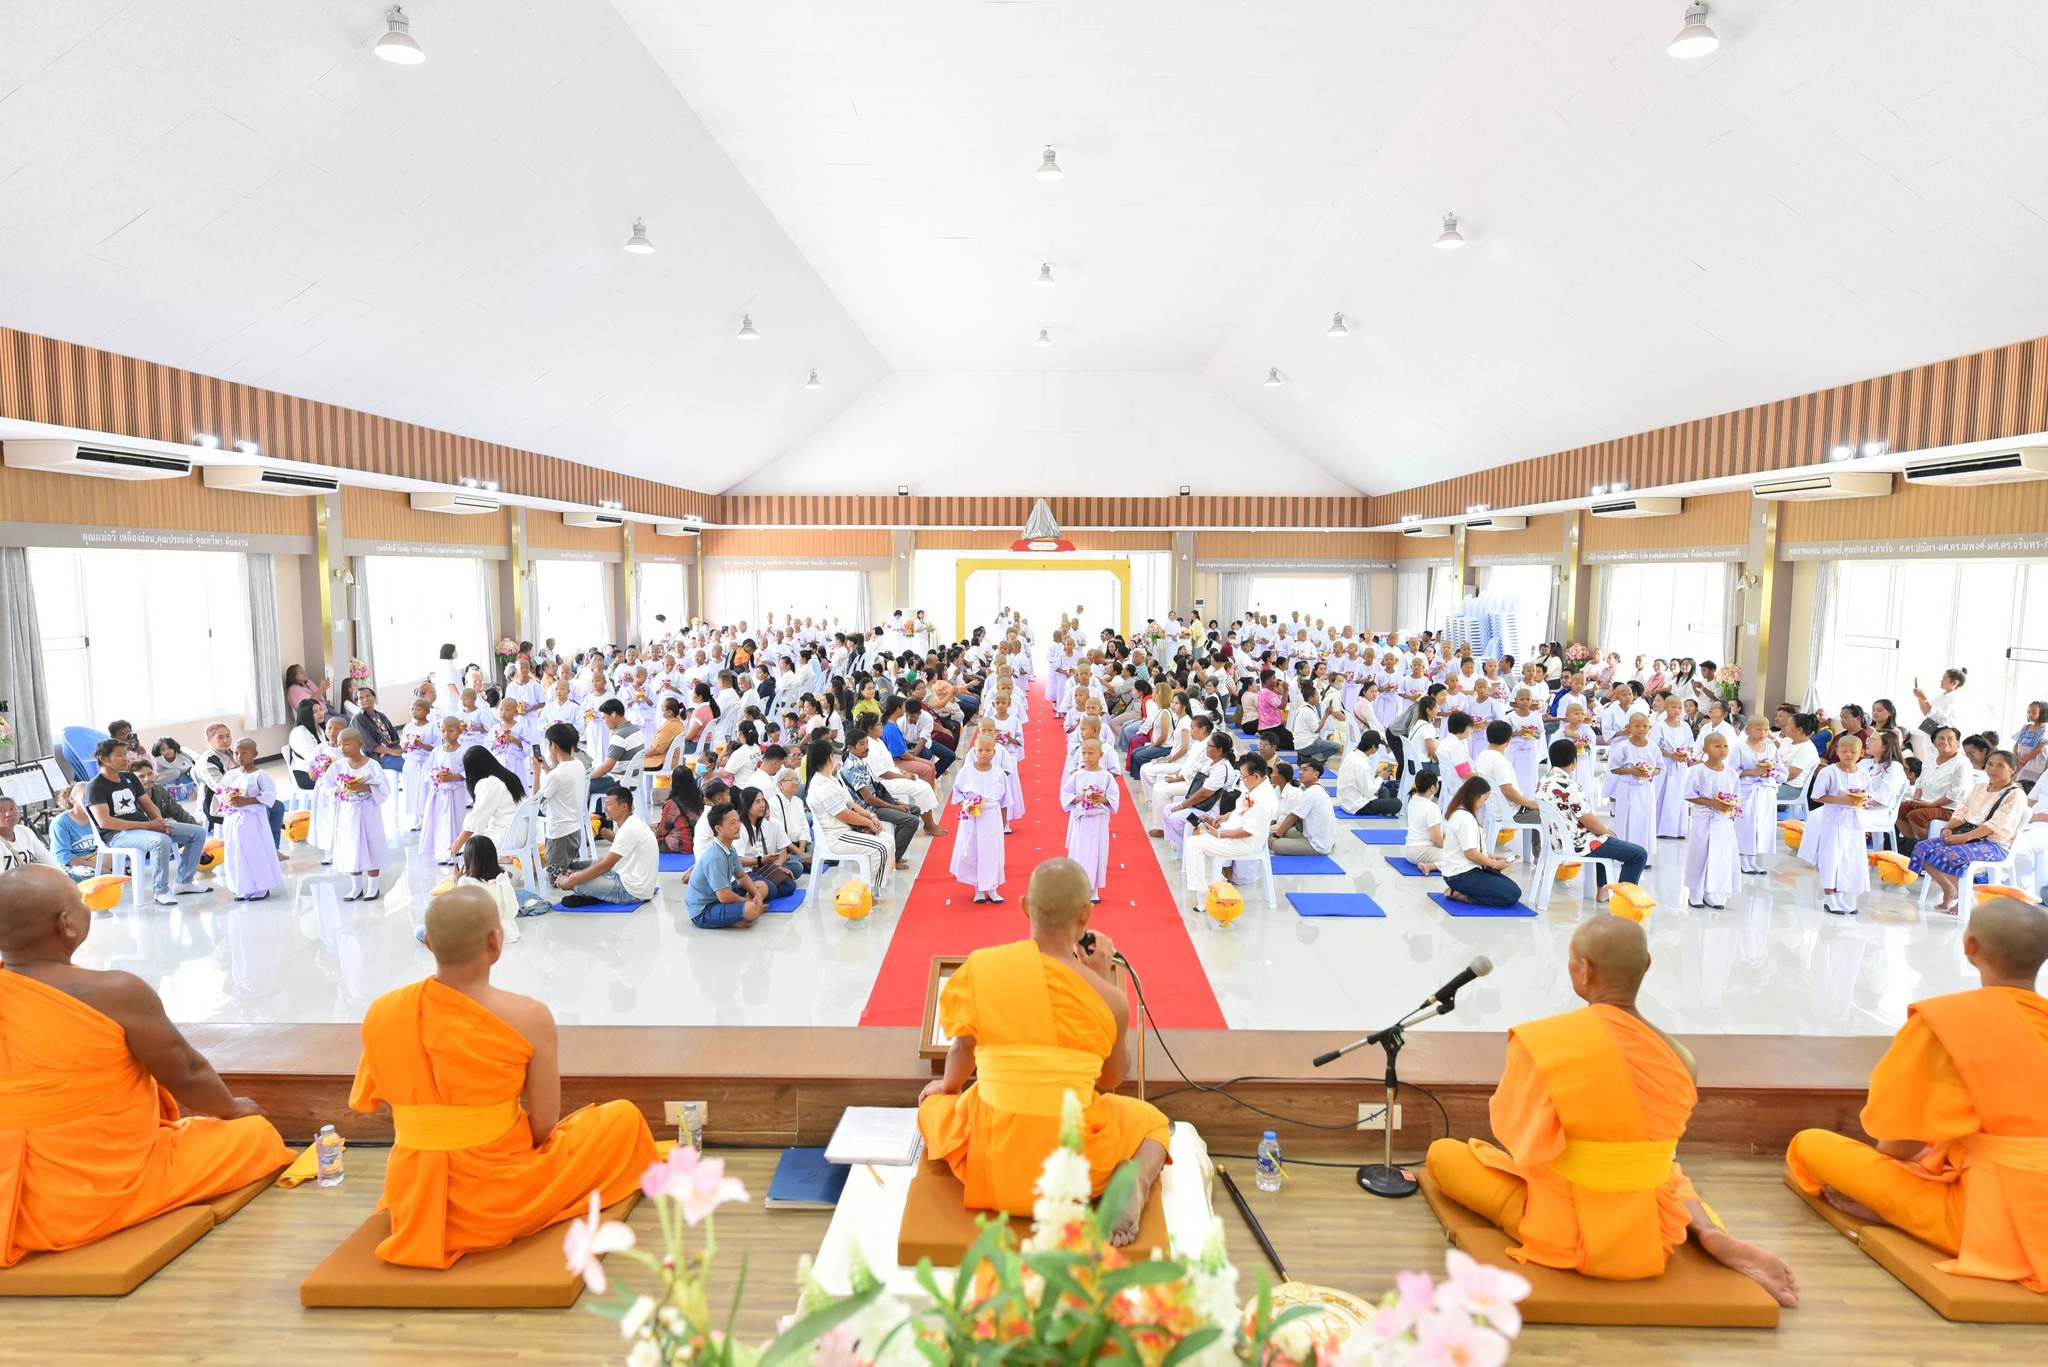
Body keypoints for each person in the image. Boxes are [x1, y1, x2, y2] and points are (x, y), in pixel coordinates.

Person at [1427, 914, 1799, 1304]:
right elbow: (1662, 1151)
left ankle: (1580, 1219)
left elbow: (1518, 1140)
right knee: (1664, 1169)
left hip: (1565, 1228)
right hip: (1654, 1231)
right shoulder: (1680, 1056)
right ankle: (1710, 1232)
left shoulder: (1547, 1041)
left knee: (1445, 1155)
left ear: (1584, 971)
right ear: (1648, 966)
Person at [0, 865, 293, 1267]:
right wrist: (233, 1109)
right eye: (80, 901)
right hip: (90, 1195)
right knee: (254, 1136)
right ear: (68, 924)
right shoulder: (114, 992)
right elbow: (187, 1072)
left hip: (7, 1191)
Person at [349, 885, 657, 1267]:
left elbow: (377, 1104)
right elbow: (544, 1125)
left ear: (428, 943)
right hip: (497, 1199)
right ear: (496, 940)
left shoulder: (384, 1013)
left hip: (409, 1196)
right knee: (621, 1118)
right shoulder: (528, 1016)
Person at [1787, 900, 2048, 1290]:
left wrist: (1882, 1191)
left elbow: (1900, 1142)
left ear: (1969, 946)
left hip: (1989, 1216)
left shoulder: (1948, 1021)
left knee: (1809, 1145)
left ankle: (1901, 1212)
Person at [916, 858, 1171, 1245]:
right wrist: (1099, 980)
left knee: (933, 1108)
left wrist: (947, 1088)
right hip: (1076, 1173)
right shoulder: (1110, 999)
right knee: (1152, 1122)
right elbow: (1111, 1079)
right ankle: (1133, 1180)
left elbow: (962, 1048)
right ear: (1086, 914)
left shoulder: (982, 967)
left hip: (990, 1167)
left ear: (1023, 907)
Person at [87, 738, 207, 908]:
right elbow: (105, 822)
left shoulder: (129, 778)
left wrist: (159, 822)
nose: (125, 759)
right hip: (116, 835)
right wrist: (148, 826)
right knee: (160, 841)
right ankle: (161, 891)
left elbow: (148, 805)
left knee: (197, 832)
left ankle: (184, 882)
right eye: (120, 755)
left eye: (125, 754)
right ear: (104, 759)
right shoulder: (95, 787)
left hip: (144, 828)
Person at [1910, 750, 2027, 916]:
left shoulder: (2016, 795)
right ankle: (1951, 890)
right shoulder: (1979, 788)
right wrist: (1948, 828)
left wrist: (1963, 838)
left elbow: (1995, 825)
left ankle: (1966, 897)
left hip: (1994, 844)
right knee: (1922, 848)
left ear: (2013, 770)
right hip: (1967, 836)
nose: (1993, 769)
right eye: (1990, 764)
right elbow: (1961, 811)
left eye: (2000, 766)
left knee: (1950, 853)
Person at [1539, 739, 1648, 899]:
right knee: (1638, 854)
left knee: (1604, 840)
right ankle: (1624, 899)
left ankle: (1603, 891)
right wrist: (1607, 831)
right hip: (1578, 842)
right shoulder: (1570, 786)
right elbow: (1588, 821)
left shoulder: (1544, 781)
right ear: (1574, 761)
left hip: (1556, 840)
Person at [1182, 753, 1277, 909]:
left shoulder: (1264, 800)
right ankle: (1214, 884)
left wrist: (1220, 834)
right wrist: (1225, 816)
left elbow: (1247, 831)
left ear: (1257, 776)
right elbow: (1241, 809)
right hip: (1230, 831)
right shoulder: (1254, 787)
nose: (1243, 780)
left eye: (1244, 776)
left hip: (1242, 842)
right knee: (1196, 832)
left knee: (1194, 845)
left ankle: (1202, 896)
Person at [802, 740, 893, 891]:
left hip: (846, 830)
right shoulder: (822, 785)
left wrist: (871, 816)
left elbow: (851, 804)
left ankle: (872, 886)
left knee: (888, 839)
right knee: (880, 847)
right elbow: (843, 814)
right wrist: (868, 823)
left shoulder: (830, 779)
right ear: (830, 757)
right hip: (836, 836)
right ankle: (864, 890)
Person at [1805, 732, 1873, 916]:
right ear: (1837, 751)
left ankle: (1840, 896)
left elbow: (1868, 795)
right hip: (1834, 817)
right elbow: (1817, 796)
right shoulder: (1829, 772)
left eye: (1853, 751)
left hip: (1853, 819)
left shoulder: (1863, 772)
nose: (1848, 755)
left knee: (1848, 857)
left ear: (1862, 753)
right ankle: (1829, 897)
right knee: (1832, 856)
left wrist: (1862, 801)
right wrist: (1842, 800)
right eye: (1844, 751)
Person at [553, 789, 657, 906]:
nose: (605, 808)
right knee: (582, 871)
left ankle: (593, 894)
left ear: (623, 806)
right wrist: (576, 874)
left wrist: (572, 880)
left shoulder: (630, 829)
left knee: (576, 883)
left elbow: (605, 866)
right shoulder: (631, 822)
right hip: (624, 876)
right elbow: (606, 861)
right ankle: (590, 888)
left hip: (632, 891)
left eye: (609, 804)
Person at [682, 801, 768, 929]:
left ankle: (738, 917)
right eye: (733, 823)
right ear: (718, 828)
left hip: (719, 897)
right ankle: (744, 915)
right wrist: (749, 902)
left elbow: (741, 876)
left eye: (738, 821)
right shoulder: (715, 857)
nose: (738, 826)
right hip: (704, 910)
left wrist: (757, 895)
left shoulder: (729, 847)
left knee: (762, 886)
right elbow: (724, 896)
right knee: (751, 909)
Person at [214, 738, 282, 901]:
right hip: (234, 818)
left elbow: (269, 795)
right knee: (237, 852)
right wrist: (228, 799)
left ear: (255, 754)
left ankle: (261, 887)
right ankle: (245, 886)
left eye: (244, 752)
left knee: (255, 851)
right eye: (236, 753)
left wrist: (246, 800)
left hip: (252, 819)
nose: (240, 756)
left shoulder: (259, 775)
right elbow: (221, 791)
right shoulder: (231, 775)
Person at [1439, 776, 1522, 908]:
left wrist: (1490, 857)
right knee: (1513, 894)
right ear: (1475, 797)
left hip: (1460, 873)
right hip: (1462, 875)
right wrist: (1494, 864)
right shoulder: (1465, 818)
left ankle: (1458, 890)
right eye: (1485, 799)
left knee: (1505, 883)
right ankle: (1462, 896)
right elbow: (1470, 853)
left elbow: (1470, 848)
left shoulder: (1459, 813)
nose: (1484, 803)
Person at [1681, 732, 1741, 909]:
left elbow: (1736, 796)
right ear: (1706, 749)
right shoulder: (1698, 771)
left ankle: (1710, 892)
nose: (1722, 750)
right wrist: (1712, 803)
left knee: (1719, 855)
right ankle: (1694, 892)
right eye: (1717, 746)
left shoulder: (1730, 773)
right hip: (1704, 818)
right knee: (1699, 854)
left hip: (1723, 821)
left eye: (1725, 746)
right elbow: (1689, 795)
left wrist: (1730, 806)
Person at [453, 835, 548, 943]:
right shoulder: (503, 876)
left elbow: (458, 911)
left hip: (479, 934)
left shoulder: (466, 881)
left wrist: (457, 880)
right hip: (508, 929)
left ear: (468, 859)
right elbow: (513, 908)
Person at [950, 735, 1008, 903]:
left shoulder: (998, 773)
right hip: (973, 817)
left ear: (994, 752)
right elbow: (957, 792)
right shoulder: (966, 771)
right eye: (980, 750)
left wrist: (1003, 823)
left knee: (991, 852)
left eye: (988, 750)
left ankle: (992, 888)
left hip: (991, 816)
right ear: (974, 751)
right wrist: (966, 803)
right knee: (973, 851)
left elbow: (1005, 800)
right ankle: (978, 889)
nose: (984, 753)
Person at [1060, 738, 1119, 903]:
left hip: (1098, 821)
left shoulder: (1106, 776)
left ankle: (1094, 889)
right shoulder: (1078, 775)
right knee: (1079, 852)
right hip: (1082, 821)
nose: (1086, 756)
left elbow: (1113, 798)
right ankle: (1078, 887)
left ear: (1100, 755)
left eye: (1091, 753)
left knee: (1097, 854)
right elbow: (1065, 794)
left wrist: (1102, 799)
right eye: (1083, 753)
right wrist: (1079, 798)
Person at [451, 747, 526, 862]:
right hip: (524, 831)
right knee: (477, 836)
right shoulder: (508, 776)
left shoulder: (489, 783)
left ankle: (483, 878)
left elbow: (477, 818)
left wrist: (457, 844)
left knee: (471, 845)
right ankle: (500, 862)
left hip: (510, 835)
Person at [536, 722, 590, 877]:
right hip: (574, 829)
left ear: (553, 745)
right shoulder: (577, 764)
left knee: (555, 878)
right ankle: (594, 867)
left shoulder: (556, 774)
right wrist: (545, 768)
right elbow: (560, 783)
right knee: (564, 867)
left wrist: (535, 773)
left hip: (559, 834)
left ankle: (596, 869)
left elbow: (535, 802)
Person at [1270, 757, 1339, 857]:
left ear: (1316, 774)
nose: (1301, 772)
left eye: (1305, 770)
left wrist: (1275, 836)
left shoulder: (1311, 792)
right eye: (1300, 769)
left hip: (1317, 845)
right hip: (1316, 835)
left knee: (1274, 843)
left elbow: (1292, 817)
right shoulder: (1317, 789)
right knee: (1285, 831)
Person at [1401, 770, 1449, 873]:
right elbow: (1436, 840)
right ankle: (1431, 866)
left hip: (1410, 851)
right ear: (1432, 787)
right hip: (1423, 852)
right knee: (1462, 857)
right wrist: (1453, 847)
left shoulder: (1413, 799)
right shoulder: (1431, 807)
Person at [0, 795, 60, 873]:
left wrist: (65, 879)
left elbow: (47, 859)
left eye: (12, 809)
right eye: (0, 811)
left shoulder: (25, 832)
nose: (8, 814)